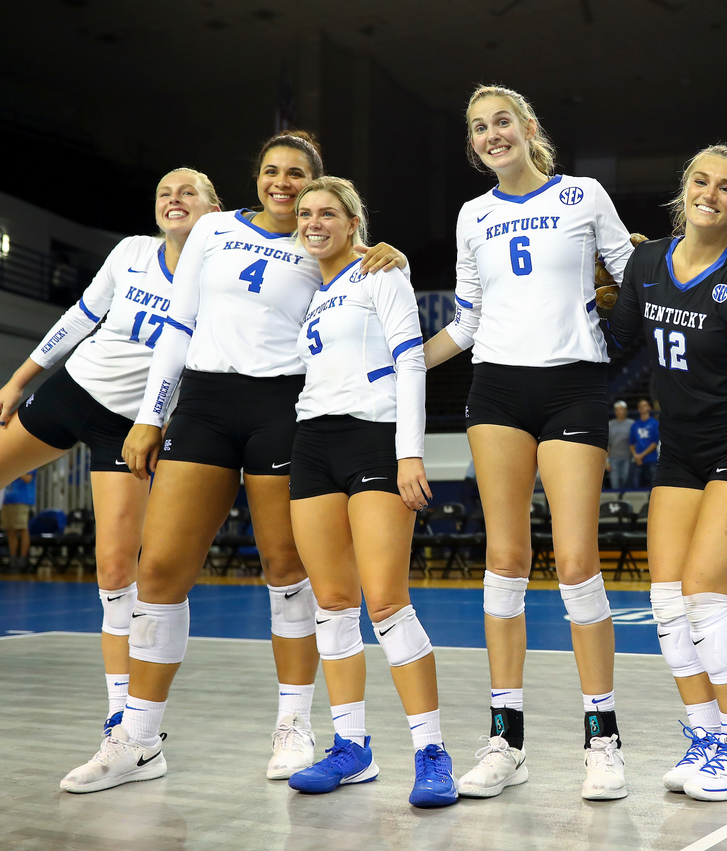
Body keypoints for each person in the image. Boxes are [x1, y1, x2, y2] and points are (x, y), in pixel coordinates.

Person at [60, 131, 409, 794]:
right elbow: (178, 322)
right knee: (158, 567)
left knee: (286, 566)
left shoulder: (320, 243)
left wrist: (384, 254)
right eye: (273, 170)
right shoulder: (214, 228)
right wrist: (150, 414)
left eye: (297, 175)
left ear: (314, 183)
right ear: (257, 176)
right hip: (207, 403)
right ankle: (137, 737)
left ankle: (294, 725)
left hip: (285, 404)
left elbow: (368, 291)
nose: (283, 182)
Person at [418, 85, 633, 801]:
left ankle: (602, 739)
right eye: (478, 127)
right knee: (506, 559)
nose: (490, 134)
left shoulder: (583, 195)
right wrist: (397, 362)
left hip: (574, 385)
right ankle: (505, 741)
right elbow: (468, 321)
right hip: (497, 392)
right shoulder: (472, 215)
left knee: (576, 561)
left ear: (528, 126)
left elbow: (635, 282)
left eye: (501, 120)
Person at [0, 168, 220, 731]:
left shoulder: (225, 275)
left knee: (117, 568)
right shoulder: (129, 253)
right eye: (164, 192)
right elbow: (81, 316)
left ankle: (122, 712)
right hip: (71, 391)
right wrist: (18, 380)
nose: (174, 199)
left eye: (187, 192)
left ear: (215, 208)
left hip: (128, 429)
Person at [605, 144, 727, 801]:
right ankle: (706, 737)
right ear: (684, 189)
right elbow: (618, 337)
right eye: (702, 181)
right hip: (678, 452)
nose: (712, 193)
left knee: (707, 599)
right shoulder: (649, 262)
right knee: (666, 603)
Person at [283, 177, 456, 807]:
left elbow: (411, 361)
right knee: (332, 600)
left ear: (354, 222)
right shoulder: (304, 287)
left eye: (328, 212)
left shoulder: (381, 273)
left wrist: (409, 451)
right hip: (311, 443)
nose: (314, 221)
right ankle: (350, 747)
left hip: (375, 438)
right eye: (306, 213)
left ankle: (431, 752)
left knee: (385, 602)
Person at [1, 470, 36, 572]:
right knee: (9, 530)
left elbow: (28, 478)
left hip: (21, 499)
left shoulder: (29, 461)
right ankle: (13, 558)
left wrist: (15, 469)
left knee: (22, 528)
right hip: (7, 498)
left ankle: (23, 558)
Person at [629, 398, 660, 488]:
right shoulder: (635, 425)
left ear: (649, 408)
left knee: (653, 485)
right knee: (636, 485)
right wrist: (635, 455)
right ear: (638, 409)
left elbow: (654, 443)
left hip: (651, 459)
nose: (642, 407)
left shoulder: (655, 423)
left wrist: (641, 455)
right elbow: (631, 443)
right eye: (640, 406)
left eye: (644, 405)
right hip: (638, 459)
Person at [607, 400, 633, 490]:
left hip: (627, 457)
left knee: (626, 482)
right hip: (614, 458)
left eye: (621, 409)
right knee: (614, 483)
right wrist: (607, 461)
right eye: (617, 409)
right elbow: (607, 443)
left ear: (625, 410)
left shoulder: (631, 424)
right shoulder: (610, 425)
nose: (619, 411)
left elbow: (634, 442)